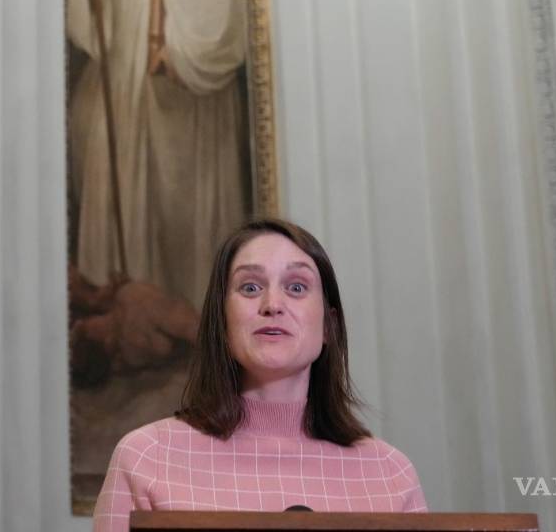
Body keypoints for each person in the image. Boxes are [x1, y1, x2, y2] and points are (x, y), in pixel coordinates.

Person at [93, 218, 428, 530]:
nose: (272, 304)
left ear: (329, 325)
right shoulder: (145, 457)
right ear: (222, 323)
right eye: (250, 288)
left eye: (296, 287)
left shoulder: (389, 473)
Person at [65, 0, 251, 310]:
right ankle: (133, 312)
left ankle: (186, 321)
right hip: (134, 83)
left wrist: (179, 52)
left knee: (177, 224)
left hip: (173, 89)